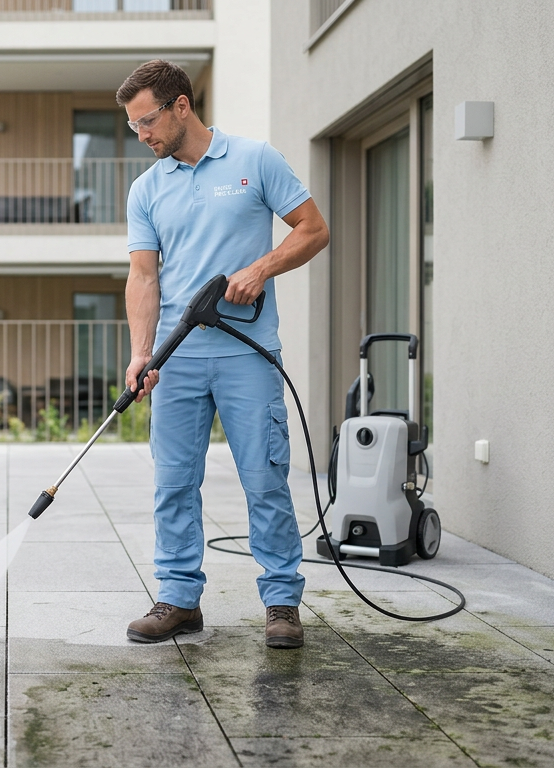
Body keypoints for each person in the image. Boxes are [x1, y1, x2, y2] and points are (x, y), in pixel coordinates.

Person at [118, 60, 329, 650]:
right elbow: (142, 278)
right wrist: (142, 355)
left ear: (181, 105)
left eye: (147, 121)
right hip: (177, 354)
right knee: (174, 481)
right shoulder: (147, 189)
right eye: (133, 126)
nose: (142, 136)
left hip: (247, 351)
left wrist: (260, 268)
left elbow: (312, 229)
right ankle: (179, 599)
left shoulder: (255, 160)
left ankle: (282, 601)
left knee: (264, 476)